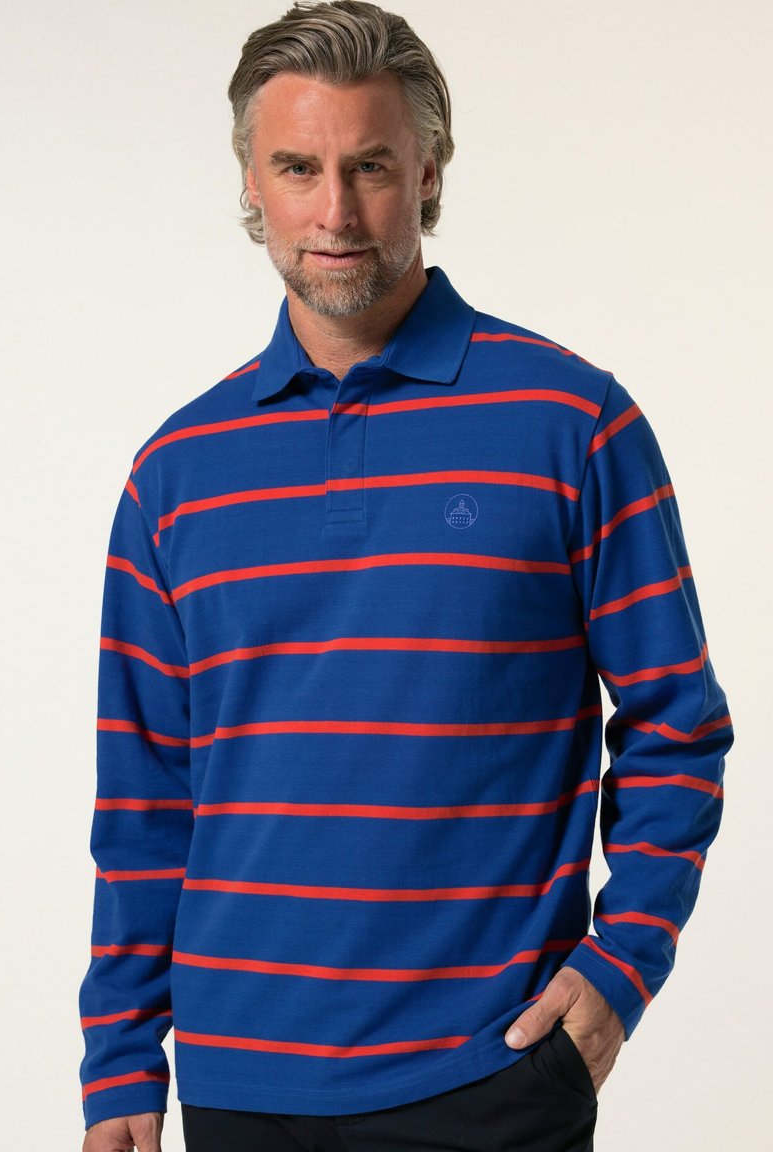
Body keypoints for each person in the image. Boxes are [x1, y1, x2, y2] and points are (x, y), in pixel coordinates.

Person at [78, 3, 732, 1149]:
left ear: (427, 175)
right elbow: (144, 800)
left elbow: (677, 723)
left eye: (370, 166)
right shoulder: (174, 475)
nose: (333, 211)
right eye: (298, 167)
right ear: (251, 182)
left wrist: (621, 965)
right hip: (238, 1085)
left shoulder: (571, 423)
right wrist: (121, 1061)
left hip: (492, 1073)